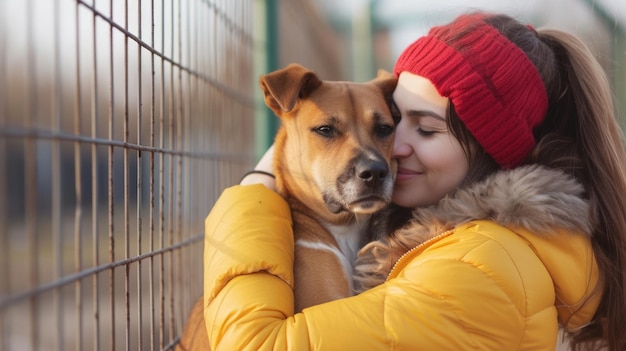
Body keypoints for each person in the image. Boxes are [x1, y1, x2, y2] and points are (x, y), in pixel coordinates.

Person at [203, 12, 626, 350]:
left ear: (489, 150)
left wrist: (255, 190)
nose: (392, 149)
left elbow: (258, 345)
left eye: (425, 130)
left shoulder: (478, 268)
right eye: (397, 120)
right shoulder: (426, 235)